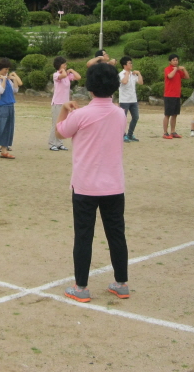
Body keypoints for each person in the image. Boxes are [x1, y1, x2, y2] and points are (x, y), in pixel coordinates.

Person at [56, 63, 130, 302]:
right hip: (113, 185)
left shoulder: (81, 114)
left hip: (85, 185)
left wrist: (64, 110)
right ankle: (121, 283)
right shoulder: (120, 113)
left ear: (90, 87)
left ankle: (81, 287)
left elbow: (60, 132)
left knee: (84, 235)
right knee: (116, 234)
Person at [49, 57, 81, 151]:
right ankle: (52, 143)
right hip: (57, 103)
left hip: (65, 104)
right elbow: (62, 75)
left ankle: (59, 143)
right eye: (64, 64)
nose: (66, 65)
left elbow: (78, 77)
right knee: (56, 123)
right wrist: (63, 71)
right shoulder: (56, 74)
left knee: (62, 124)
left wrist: (71, 70)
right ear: (60, 65)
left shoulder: (67, 75)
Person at [163, 54, 188, 139]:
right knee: (167, 114)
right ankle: (165, 132)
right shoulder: (168, 69)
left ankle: (173, 131)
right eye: (173, 60)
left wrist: (183, 69)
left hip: (177, 95)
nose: (175, 62)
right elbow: (170, 76)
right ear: (170, 61)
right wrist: (175, 69)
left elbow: (187, 77)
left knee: (175, 114)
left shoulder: (178, 70)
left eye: (176, 60)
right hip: (169, 95)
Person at [118, 56, 143, 143]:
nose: (131, 64)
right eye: (129, 63)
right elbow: (124, 82)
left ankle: (130, 134)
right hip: (124, 100)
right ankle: (123, 135)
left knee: (135, 117)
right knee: (123, 119)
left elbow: (140, 82)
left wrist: (138, 73)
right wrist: (127, 74)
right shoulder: (121, 74)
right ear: (124, 65)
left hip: (133, 99)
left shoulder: (133, 74)